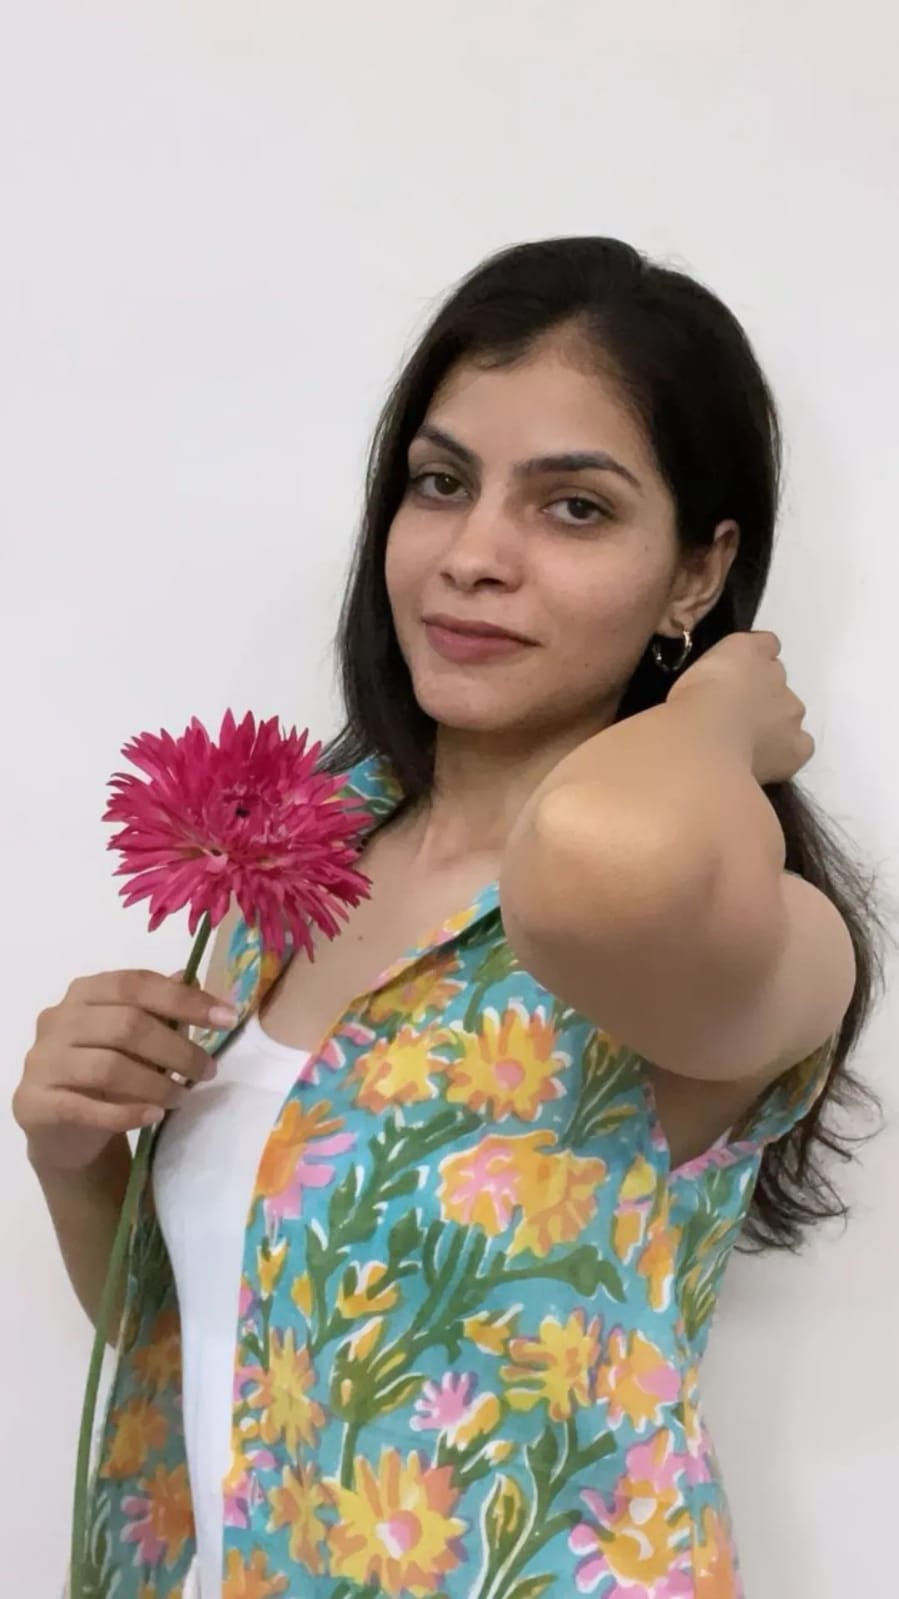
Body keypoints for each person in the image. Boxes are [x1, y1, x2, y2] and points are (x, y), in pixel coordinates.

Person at [15, 237, 882, 1599]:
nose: (473, 554)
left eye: (575, 509)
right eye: (441, 484)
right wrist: (79, 1161)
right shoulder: (298, 855)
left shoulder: (735, 923)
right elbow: (261, 1365)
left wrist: (718, 711)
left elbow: (595, 854)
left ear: (697, 573)